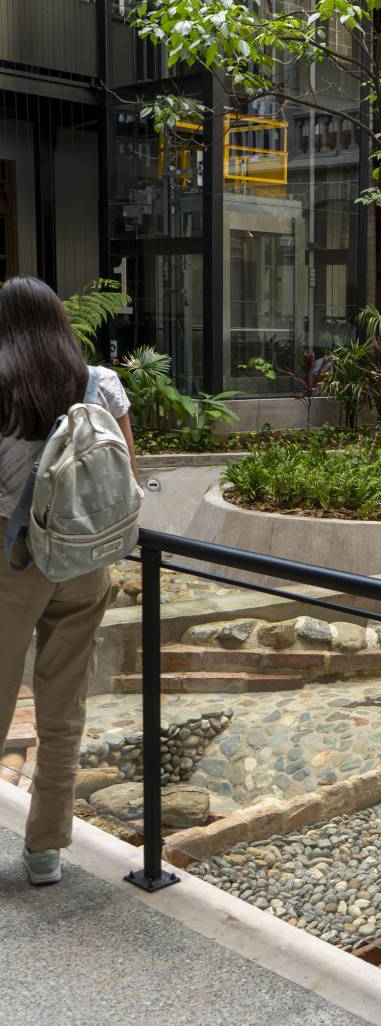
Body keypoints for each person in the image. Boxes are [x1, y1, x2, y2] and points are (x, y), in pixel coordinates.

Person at [0, 276, 138, 886]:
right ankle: (45, 851)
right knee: (64, 710)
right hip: (83, 559)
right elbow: (128, 473)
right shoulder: (99, 383)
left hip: (11, 561)